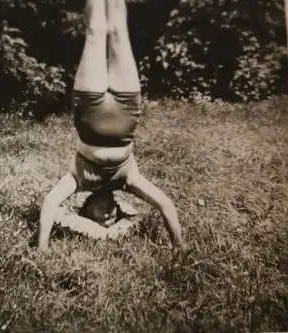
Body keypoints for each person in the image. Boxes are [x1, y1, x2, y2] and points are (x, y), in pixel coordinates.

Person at [38, 0, 185, 251]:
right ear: (119, 209)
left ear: (86, 209)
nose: (107, 216)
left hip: (89, 110)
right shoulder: (128, 180)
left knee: (96, 30)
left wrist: (41, 247)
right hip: (127, 110)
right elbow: (165, 204)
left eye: (100, 219)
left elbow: (52, 203)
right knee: (118, 29)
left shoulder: (78, 181)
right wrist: (180, 246)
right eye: (111, 218)